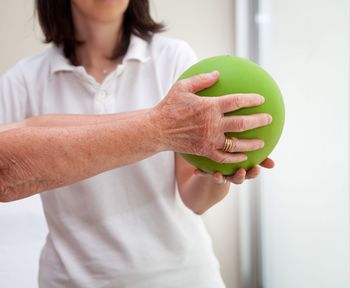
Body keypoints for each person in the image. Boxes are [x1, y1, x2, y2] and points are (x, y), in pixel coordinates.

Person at [0, 0, 274, 287]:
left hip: (182, 278)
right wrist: (160, 128)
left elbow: (195, 200)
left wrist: (217, 173)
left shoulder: (173, 57)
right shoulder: (25, 81)